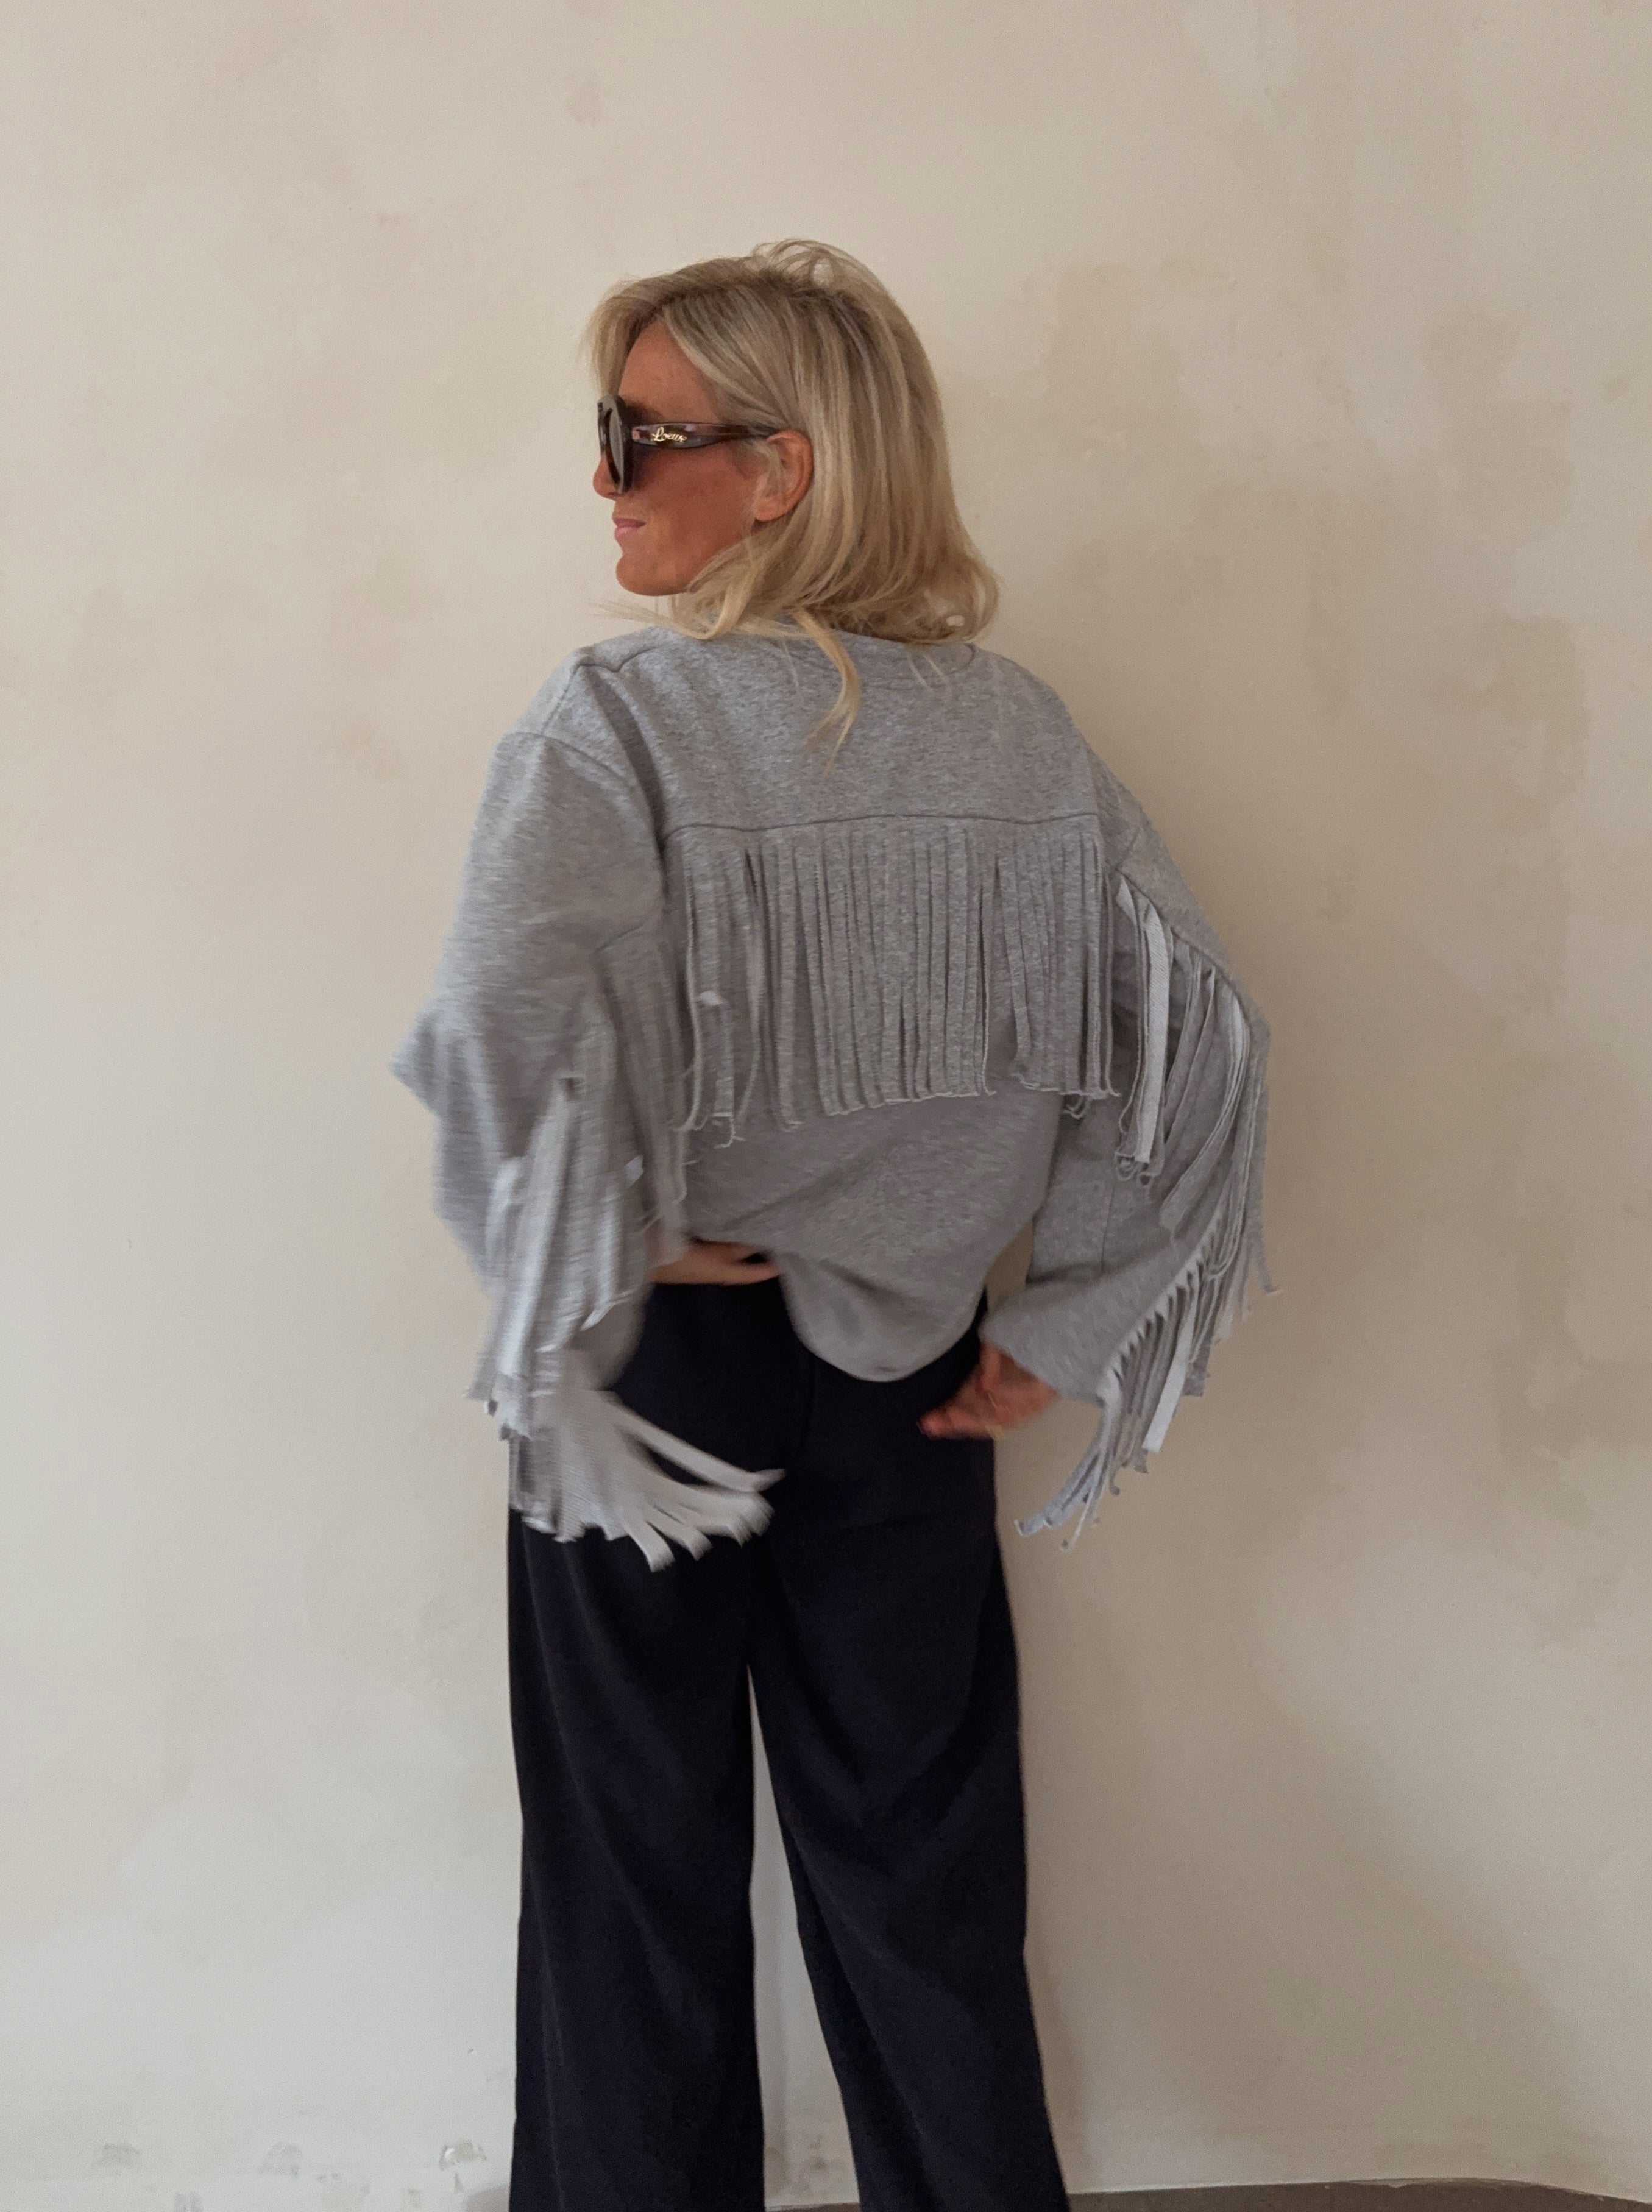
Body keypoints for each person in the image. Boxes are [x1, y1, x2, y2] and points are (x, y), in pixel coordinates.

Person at [390, 238, 1270, 2212]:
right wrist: (1066, 1317)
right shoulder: (1019, 738)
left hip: (651, 1384)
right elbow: (1193, 1040)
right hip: (913, 1373)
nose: (604, 477)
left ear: (782, 468)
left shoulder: (620, 720)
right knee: (923, 1878)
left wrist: (600, 1236)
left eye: (643, 435)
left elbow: (496, 1020)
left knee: (631, 1880)